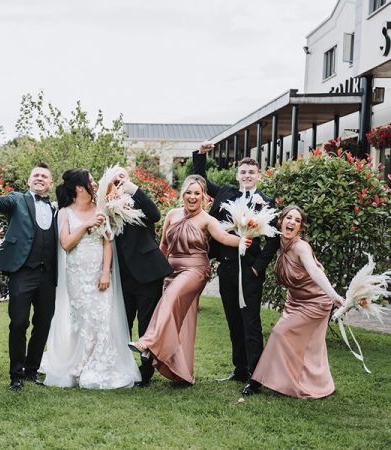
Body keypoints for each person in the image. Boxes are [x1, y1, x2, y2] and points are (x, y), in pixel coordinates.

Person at [129, 175, 251, 384]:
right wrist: (158, 272)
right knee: (184, 320)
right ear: (183, 194)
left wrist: (241, 241)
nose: (192, 197)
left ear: (204, 197)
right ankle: (181, 373)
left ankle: (148, 342)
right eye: (189, 192)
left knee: (170, 298)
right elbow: (164, 245)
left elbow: (223, 237)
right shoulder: (172, 214)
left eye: (197, 193)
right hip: (171, 270)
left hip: (195, 270)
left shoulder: (207, 220)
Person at [42, 169, 141, 388]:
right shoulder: (65, 213)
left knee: (102, 317)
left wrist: (106, 272)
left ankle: (101, 364)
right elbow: (66, 244)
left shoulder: (101, 209)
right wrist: (86, 225)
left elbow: (107, 242)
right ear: (79, 187)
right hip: (77, 275)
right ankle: (80, 363)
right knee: (83, 320)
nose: (95, 183)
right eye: (91, 180)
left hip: (99, 272)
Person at [192, 145, 280, 383]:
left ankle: (256, 375)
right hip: (227, 267)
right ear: (237, 175)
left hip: (250, 270)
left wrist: (258, 266)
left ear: (259, 175)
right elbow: (200, 180)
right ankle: (240, 369)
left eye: (251, 172)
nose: (247, 176)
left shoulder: (266, 202)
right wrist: (201, 155)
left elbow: (274, 239)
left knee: (251, 322)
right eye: (243, 172)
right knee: (233, 321)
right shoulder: (226, 192)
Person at [243, 205, 344, 398]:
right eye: (289, 218)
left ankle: (256, 381)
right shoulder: (279, 243)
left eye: (297, 221)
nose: (292, 222)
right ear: (281, 221)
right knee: (300, 342)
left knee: (279, 333)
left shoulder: (300, 247)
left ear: (300, 227)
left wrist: (334, 296)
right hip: (295, 302)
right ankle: (297, 380)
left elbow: (315, 271)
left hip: (315, 302)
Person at [0, 164, 57, 391]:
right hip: (22, 271)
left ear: (50, 183)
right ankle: (16, 374)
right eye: (36, 175)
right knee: (19, 322)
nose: (39, 178)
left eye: (44, 176)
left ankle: (32, 370)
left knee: (43, 323)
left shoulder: (55, 208)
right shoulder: (17, 199)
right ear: (29, 180)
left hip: (48, 274)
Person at [102, 166, 174, 387]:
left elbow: (155, 215)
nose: (119, 182)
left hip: (147, 272)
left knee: (146, 323)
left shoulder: (138, 201)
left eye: (122, 178)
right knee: (122, 322)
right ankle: (121, 366)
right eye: (115, 180)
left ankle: (146, 370)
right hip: (121, 275)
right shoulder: (104, 206)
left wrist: (133, 190)